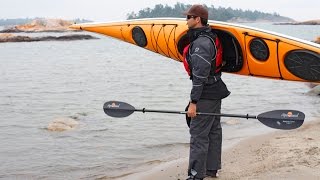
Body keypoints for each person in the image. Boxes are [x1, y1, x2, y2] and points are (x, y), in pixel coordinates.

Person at [182, 4, 230, 180]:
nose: (186, 20)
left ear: (197, 19)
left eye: (188, 17)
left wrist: (193, 102)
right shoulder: (210, 37)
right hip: (215, 90)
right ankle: (211, 170)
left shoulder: (201, 44)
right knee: (213, 131)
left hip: (206, 93)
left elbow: (199, 77)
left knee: (198, 135)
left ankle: (195, 175)